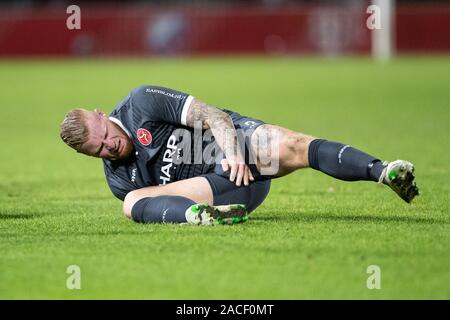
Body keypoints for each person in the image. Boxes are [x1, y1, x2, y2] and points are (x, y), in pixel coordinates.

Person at [60, 85, 419, 225]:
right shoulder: (120, 179)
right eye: (99, 150)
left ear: (100, 114)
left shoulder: (140, 103)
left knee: (294, 145)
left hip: (236, 150)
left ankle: (384, 171)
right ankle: (199, 218)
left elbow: (214, 117)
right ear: (87, 154)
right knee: (130, 203)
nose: (110, 147)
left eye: (106, 135)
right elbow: (141, 196)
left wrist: (232, 154)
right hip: (216, 192)